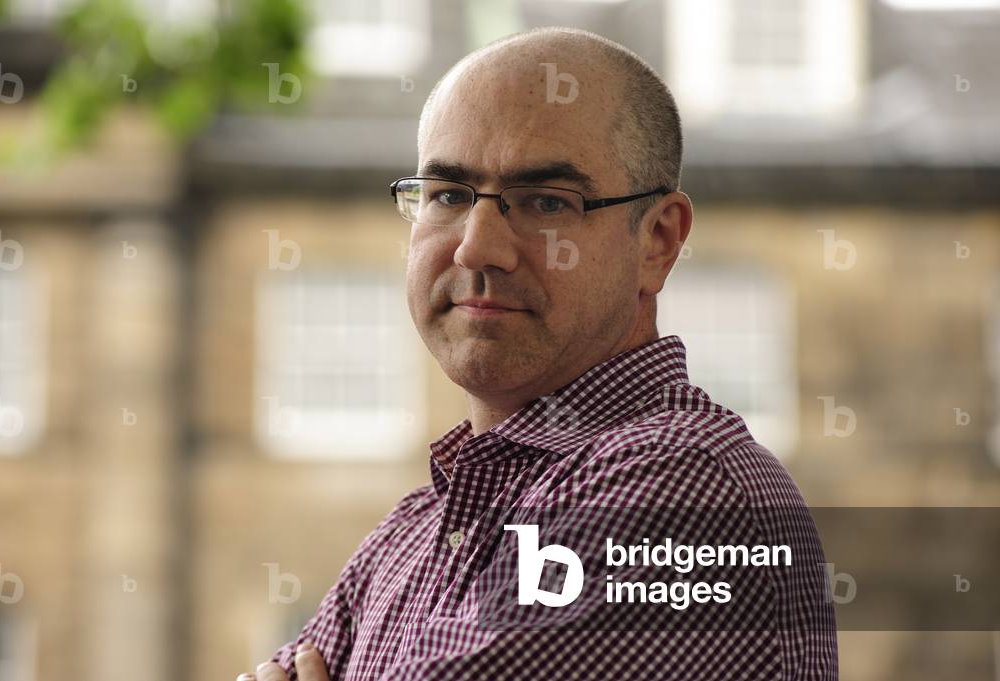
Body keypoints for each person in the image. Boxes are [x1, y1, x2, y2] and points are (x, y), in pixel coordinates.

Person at [242, 26, 838, 681]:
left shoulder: (687, 489)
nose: (477, 247)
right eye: (446, 195)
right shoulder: (409, 533)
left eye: (545, 202)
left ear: (658, 241)